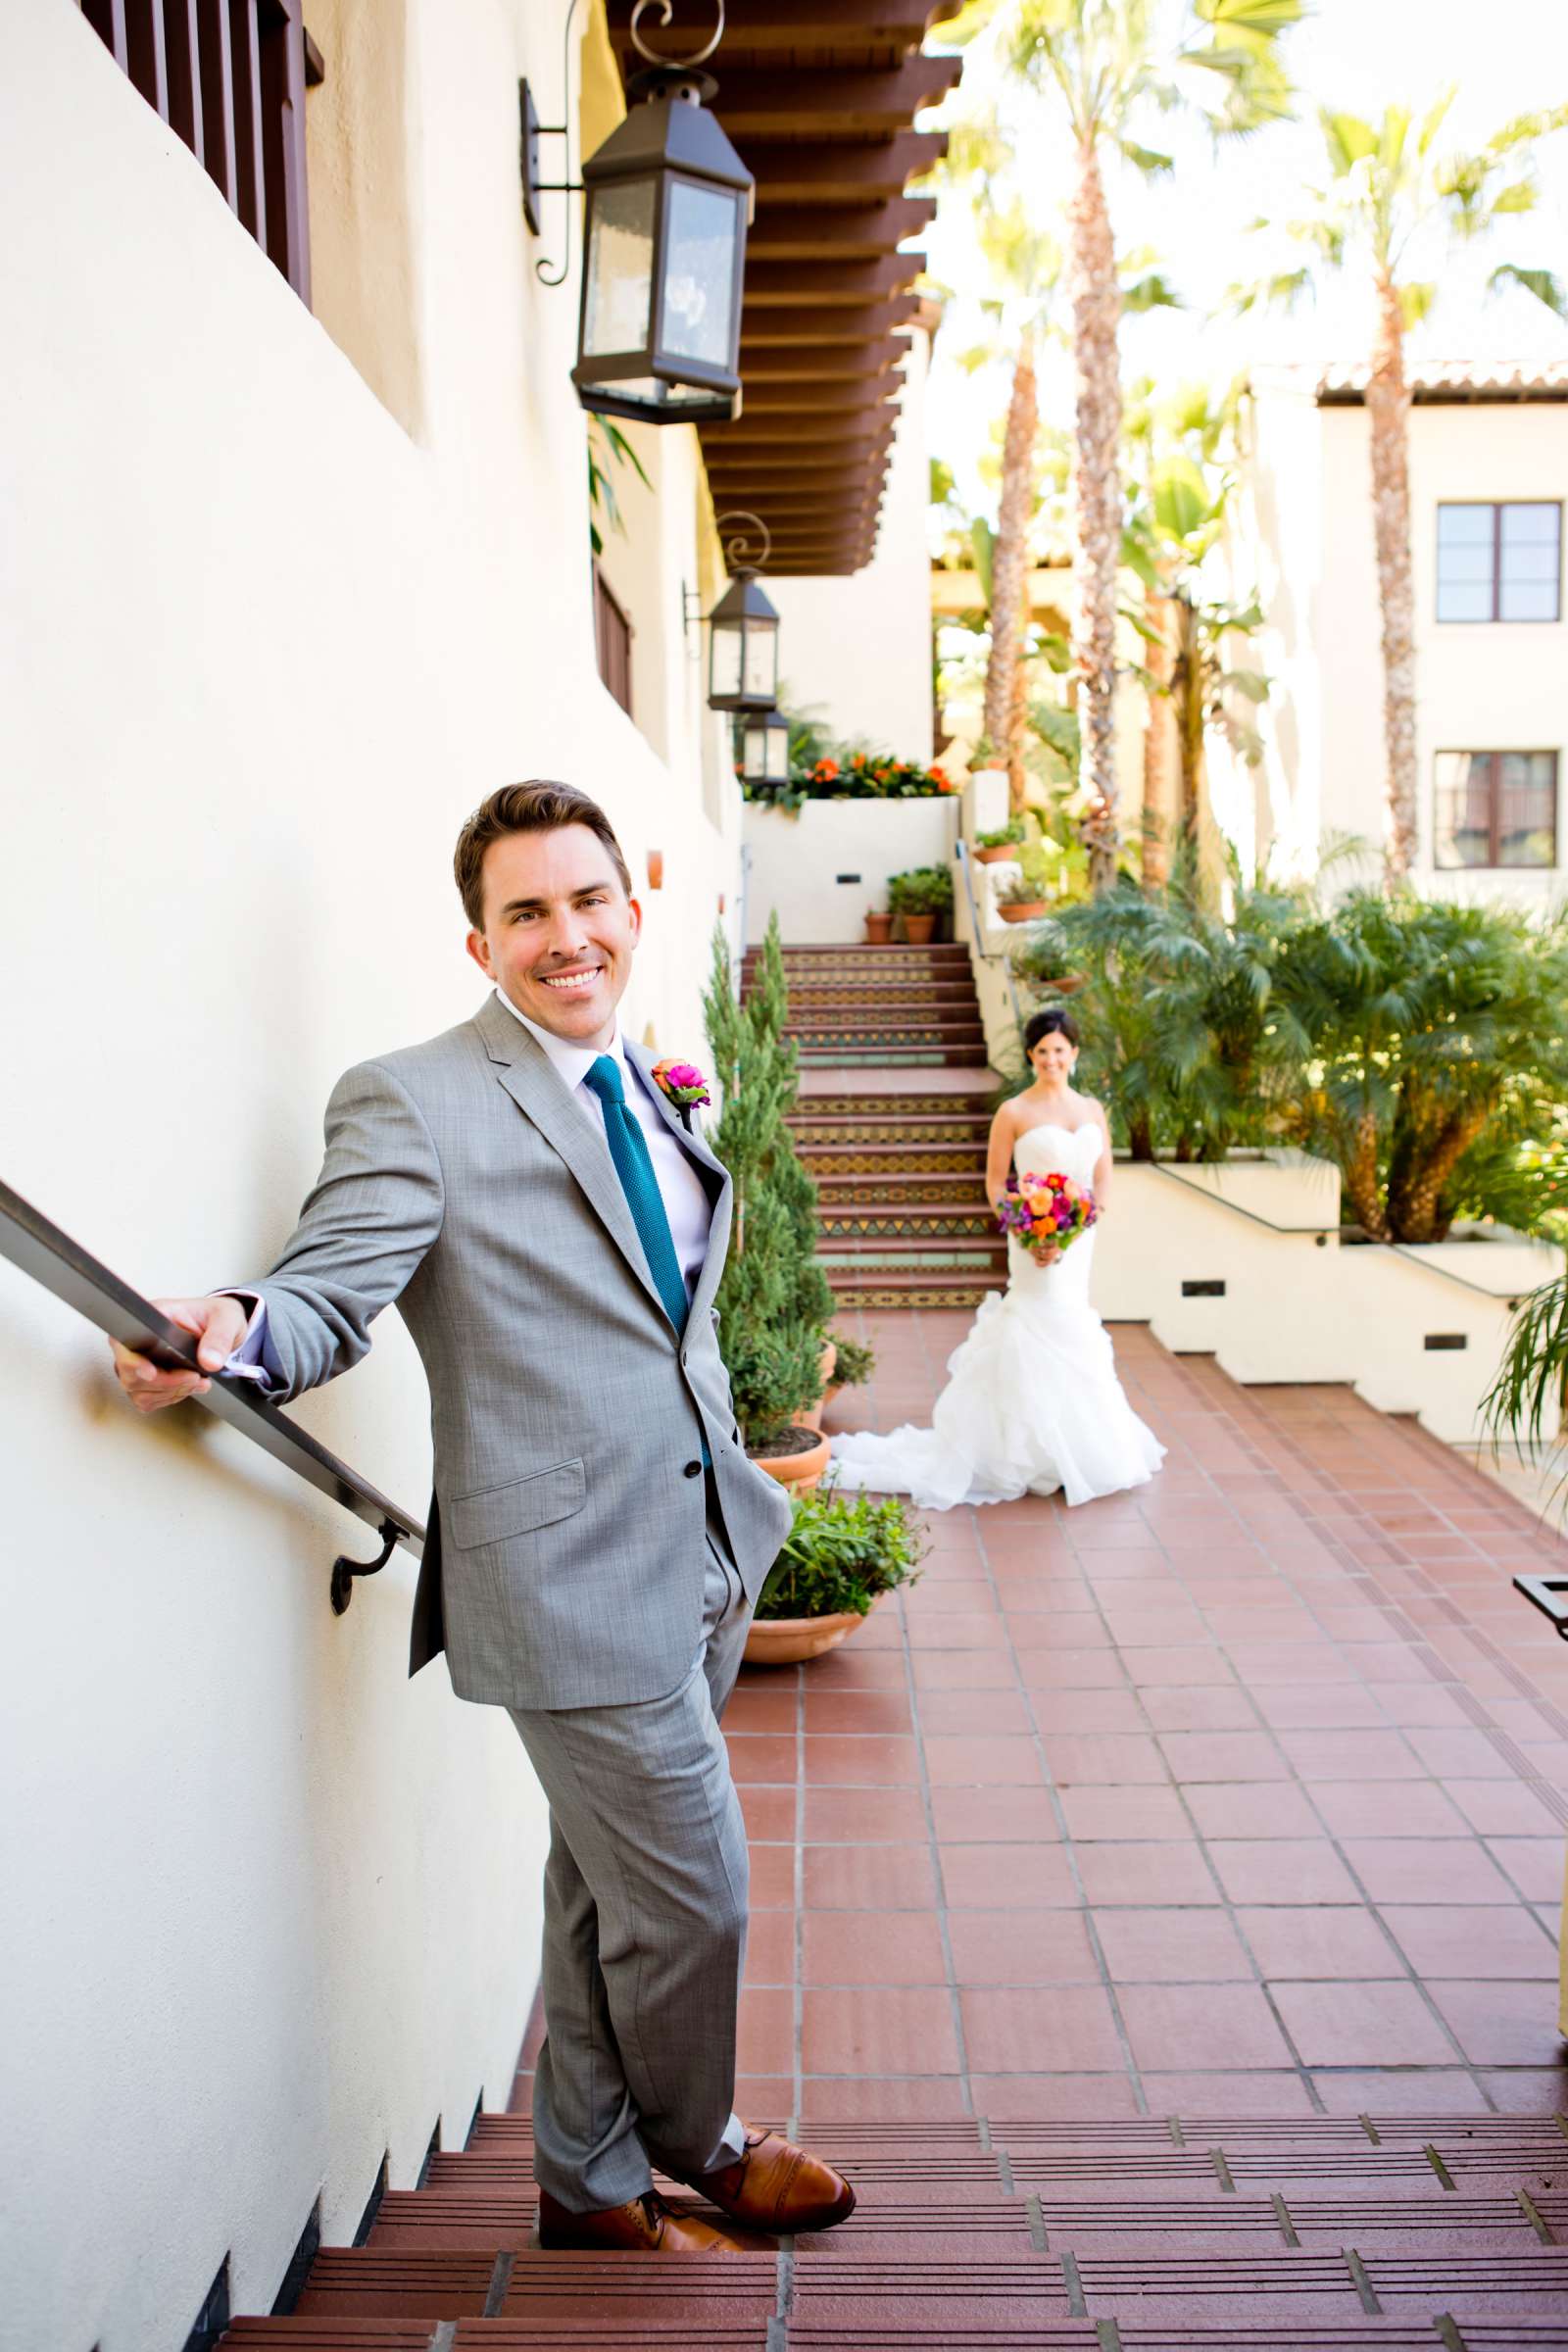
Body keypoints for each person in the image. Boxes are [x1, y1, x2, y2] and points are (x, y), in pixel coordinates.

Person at [110, 781, 856, 2254]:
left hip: (703, 1551)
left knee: (599, 1892)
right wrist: (233, 1326)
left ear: (631, 911)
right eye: (527, 913)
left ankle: (584, 2185)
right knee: (693, 1891)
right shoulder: (418, 1097)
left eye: (588, 902)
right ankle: (699, 2139)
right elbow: (334, 1283)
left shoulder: (637, 1078)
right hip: (566, 1579)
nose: (565, 936)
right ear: (479, 945)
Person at [829, 1006, 1165, 1510]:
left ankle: (1071, 1448)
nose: (1052, 1059)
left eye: (1060, 1050)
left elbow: (1103, 1175)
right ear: (1031, 1056)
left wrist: (1085, 1220)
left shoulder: (1093, 1109)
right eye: (1043, 1051)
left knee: (1072, 1325)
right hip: (1031, 1238)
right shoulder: (1013, 1112)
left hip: (1079, 1237)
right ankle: (1017, 1450)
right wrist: (1029, 1231)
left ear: (1074, 1053)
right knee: (1035, 1321)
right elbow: (994, 1181)